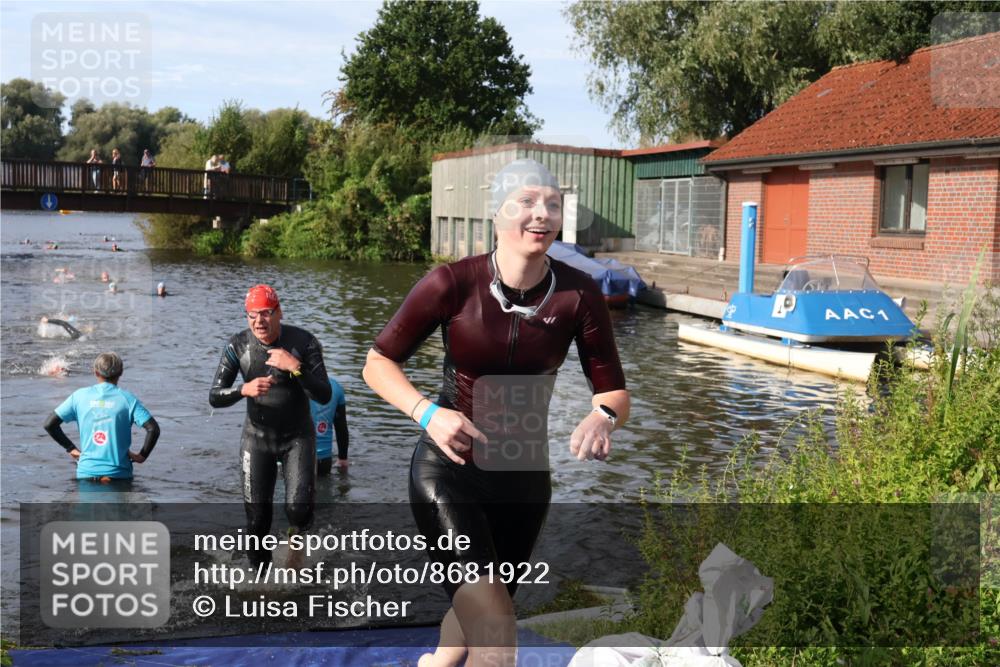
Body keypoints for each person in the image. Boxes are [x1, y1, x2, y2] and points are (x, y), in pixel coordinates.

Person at [363, 159, 630, 667]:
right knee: (495, 622)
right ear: (496, 213)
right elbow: (377, 364)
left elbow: (614, 392)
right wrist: (427, 414)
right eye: (527, 202)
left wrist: (603, 418)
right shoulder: (452, 284)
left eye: (552, 204)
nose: (542, 214)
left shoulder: (580, 295)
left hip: (523, 478)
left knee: (486, 605)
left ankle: (435, 664)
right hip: (449, 467)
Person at [209, 285, 331, 566]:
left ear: (279, 313)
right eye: (252, 316)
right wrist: (243, 390)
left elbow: (323, 393)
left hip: (297, 438)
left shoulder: (304, 342)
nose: (259, 322)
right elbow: (215, 396)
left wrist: (295, 367)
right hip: (257, 439)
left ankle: (296, 542)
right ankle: (260, 582)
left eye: (265, 314)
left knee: (298, 510)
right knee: (257, 520)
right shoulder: (237, 345)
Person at [43, 352, 160, 484]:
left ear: (95, 372)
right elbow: (153, 429)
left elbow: (49, 424)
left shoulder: (79, 396)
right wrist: (141, 456)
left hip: (86, 473)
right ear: (121, 372)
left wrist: (71, 448)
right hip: (118, 475)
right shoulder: (128, 399)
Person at [309, 374, 349, 475]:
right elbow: (341, 428)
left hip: (295, 458)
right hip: (324, 461)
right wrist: (343, 458)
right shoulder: (336, 386)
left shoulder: (292, 384)